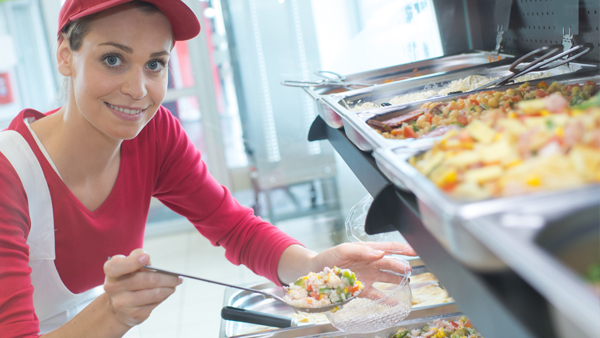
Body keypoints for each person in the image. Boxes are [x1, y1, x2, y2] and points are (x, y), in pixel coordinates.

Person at [0, 0, 416, 337]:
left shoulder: (154, 133)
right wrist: (113, 313)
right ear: (65, 55)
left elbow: (233, 227)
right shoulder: (9, 175)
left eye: (155, 64)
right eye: (112, 59)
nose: (137, 89)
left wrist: (312, 268)